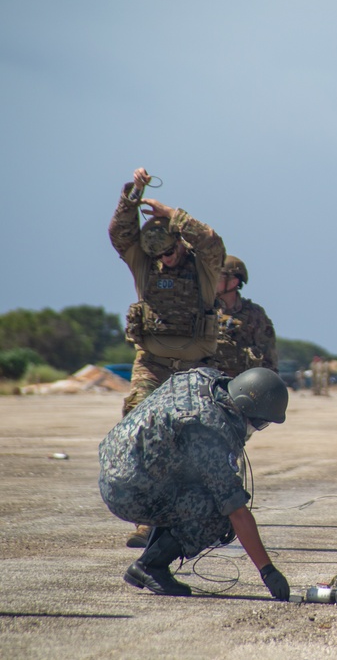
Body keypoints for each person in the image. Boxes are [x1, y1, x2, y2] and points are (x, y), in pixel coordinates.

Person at [98, 367, 291, 601]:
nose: (256, 429)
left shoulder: (204, 379)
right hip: (129, 493)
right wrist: (268, 571)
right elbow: (236, 511)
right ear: (243, 406)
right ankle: (150, 566)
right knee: (219, 512)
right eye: (259, 423)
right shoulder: (210, 430)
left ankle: (153, 554)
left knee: (199, 485)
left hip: (117, 466)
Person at [110, 167, 226, 548]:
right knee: (138, 429)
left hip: (196, 367)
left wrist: (172, 213)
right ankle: (146, 520)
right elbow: (119, 235)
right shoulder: (145, 263)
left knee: (201, 439)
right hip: (154, 364)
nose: (167, 260)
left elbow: (212, 242)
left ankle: (203, 514)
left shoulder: (204, 266)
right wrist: (133, 194)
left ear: (180, 243)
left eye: (171, 251)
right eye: (158, 254)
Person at [212, 255, 278, 377]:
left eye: (219, 276)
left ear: (234, 281)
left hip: (242, 385)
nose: (213, 280)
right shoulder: (205, 310)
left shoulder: (255, 315)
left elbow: (269, 358)